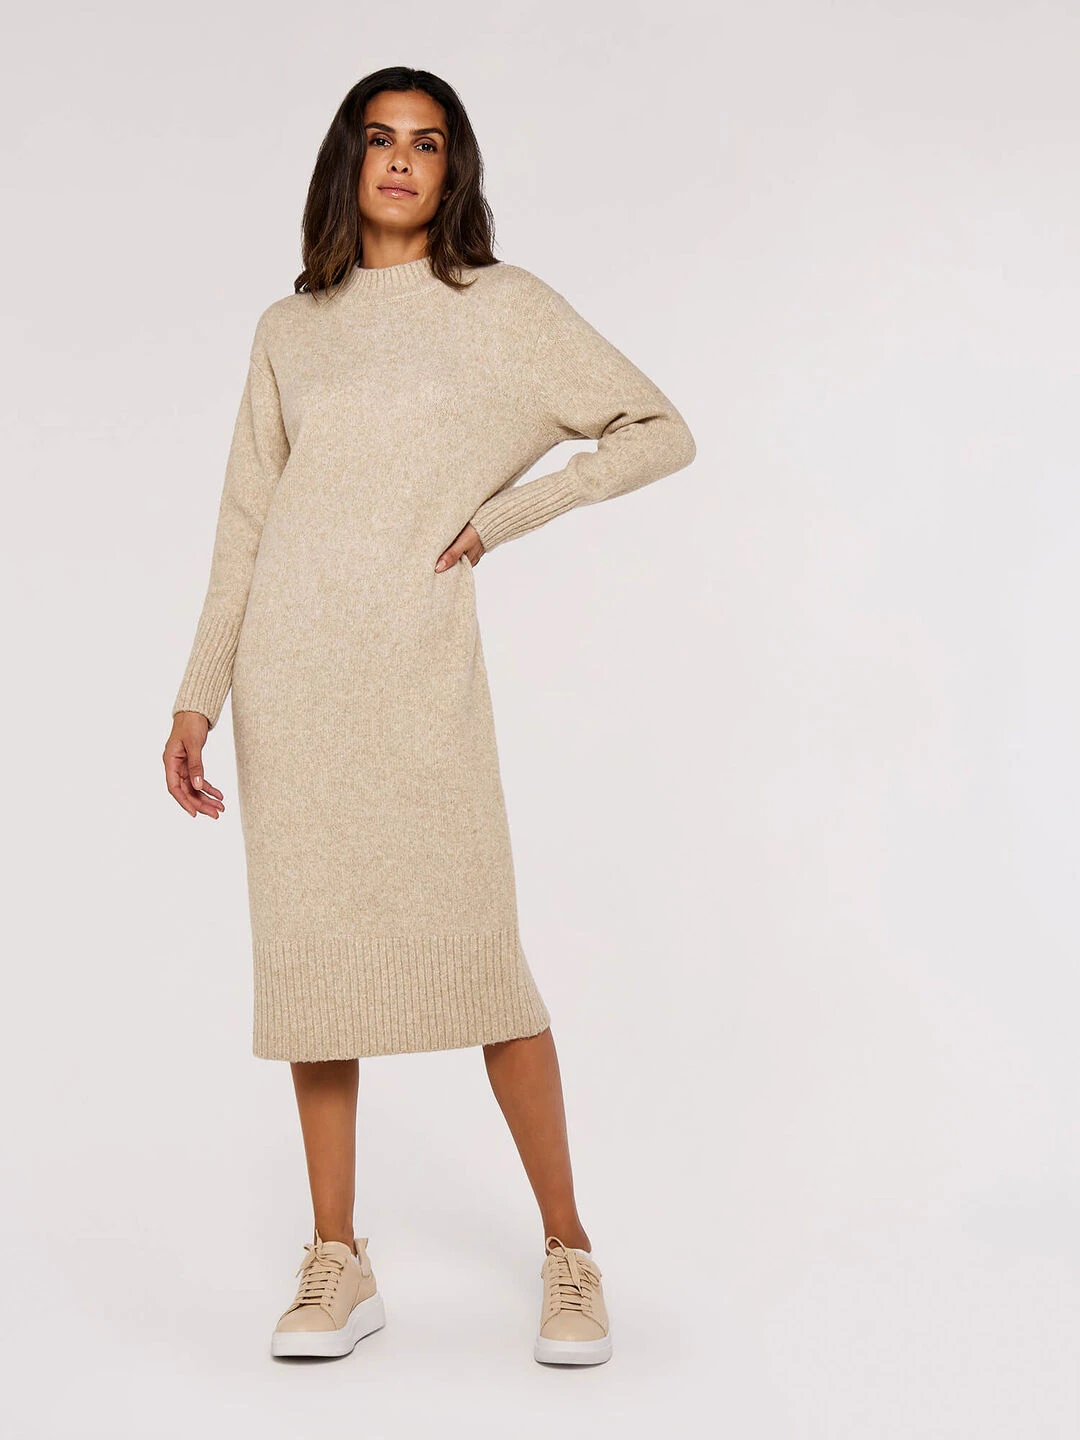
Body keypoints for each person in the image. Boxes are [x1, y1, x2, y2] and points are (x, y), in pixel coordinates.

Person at [163, 66, 696, 1368]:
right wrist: (196, 695)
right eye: (381, 138)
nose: (402, 160)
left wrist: (510, 513)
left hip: (417, 672)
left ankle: (569, 1250)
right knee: (315, 978)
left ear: (454, 171)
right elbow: (244, 524)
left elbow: (656, 429)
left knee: (485, 966)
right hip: (290, 679)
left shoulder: (502, 308)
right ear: (347, 160)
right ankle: (336, 1257)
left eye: (429, 143)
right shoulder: (291, 329)